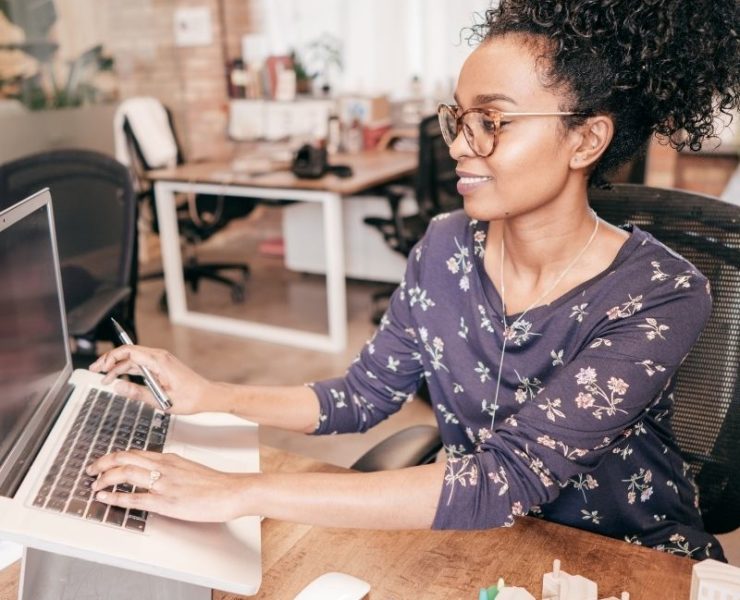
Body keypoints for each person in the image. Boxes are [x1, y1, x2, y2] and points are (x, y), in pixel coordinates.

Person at [88, 0, 739, 560]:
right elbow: (361, 397)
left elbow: (503, 477)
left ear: (585, 140)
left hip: (630, 562)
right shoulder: (445, 246)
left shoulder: (663, 290)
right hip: (481, 544)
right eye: (459, 119)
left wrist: (239, 492)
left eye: (492, 121)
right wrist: (210, 394)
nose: (460, 145)